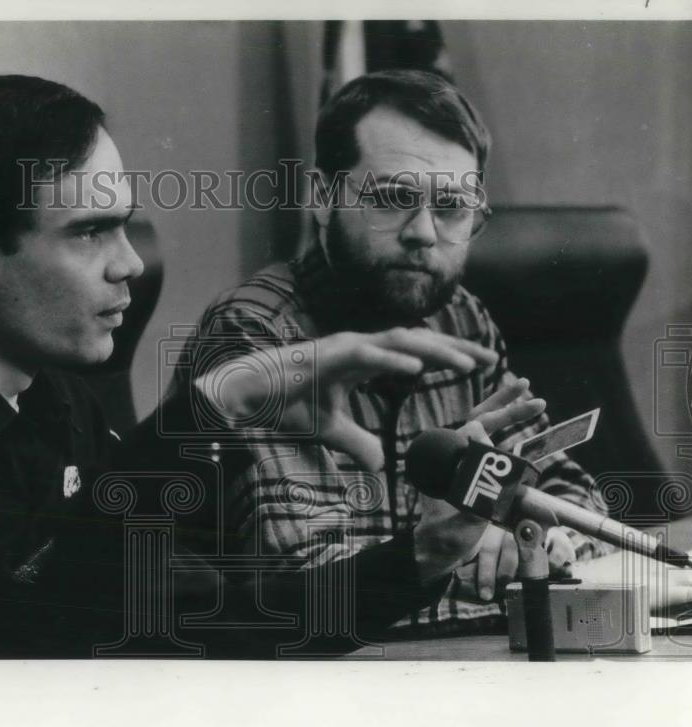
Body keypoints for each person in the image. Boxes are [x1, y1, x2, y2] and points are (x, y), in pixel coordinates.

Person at [0, 74, 501, 659]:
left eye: (123, 226)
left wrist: (422, 557)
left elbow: (211, 618)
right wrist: (204, 411)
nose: (129, 265)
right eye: (90, 233)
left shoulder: (62, 404)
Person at [168, 69, 624, 638]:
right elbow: (315, 588)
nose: (425, 234)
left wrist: (546, 545)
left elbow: (571, 492)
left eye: (452, 207)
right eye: (393, 199)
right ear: (322, 197)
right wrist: (507, 570)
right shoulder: (254, 335)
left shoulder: (461, 318)